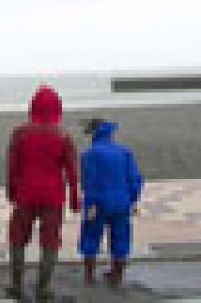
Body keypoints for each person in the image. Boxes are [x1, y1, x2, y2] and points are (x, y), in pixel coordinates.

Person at [6, 85, 80, 300]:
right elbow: (72, 172)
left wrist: (11, 191)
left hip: (25, 193)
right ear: (57, 107)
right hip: (53, 195)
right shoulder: (63, 135)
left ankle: (17, 285)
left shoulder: (20, 133)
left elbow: (12, 166)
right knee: (50, 241)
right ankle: (43, 287)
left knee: (17, 238)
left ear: (33, 107)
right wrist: (75, 199)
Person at [78, 120, 143, 287]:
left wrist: (90, 203)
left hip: (98, 201)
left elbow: (89, 181)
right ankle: (117, 275)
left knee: (91, 237)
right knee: (121, 238)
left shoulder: (89, 154)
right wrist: (134, 199)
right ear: (110, 134)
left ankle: (89, 277)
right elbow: (135, 178)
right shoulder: (125, 152)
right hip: (122, 201)